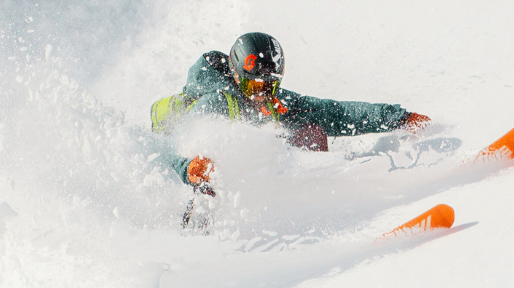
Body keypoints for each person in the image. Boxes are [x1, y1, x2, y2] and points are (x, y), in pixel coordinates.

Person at [150, 31, 429, 190]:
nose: (260, 95)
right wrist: (188, 168)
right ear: (236, 76)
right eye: (252, 86)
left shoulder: (274, 102)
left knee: (311, 129)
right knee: (210, 173)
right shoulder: (215, 104)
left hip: (258, 185)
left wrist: (397, 118)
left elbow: (335, 113)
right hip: (181, 183)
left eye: (268, 87)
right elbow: (168, 148)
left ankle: (321, 199)